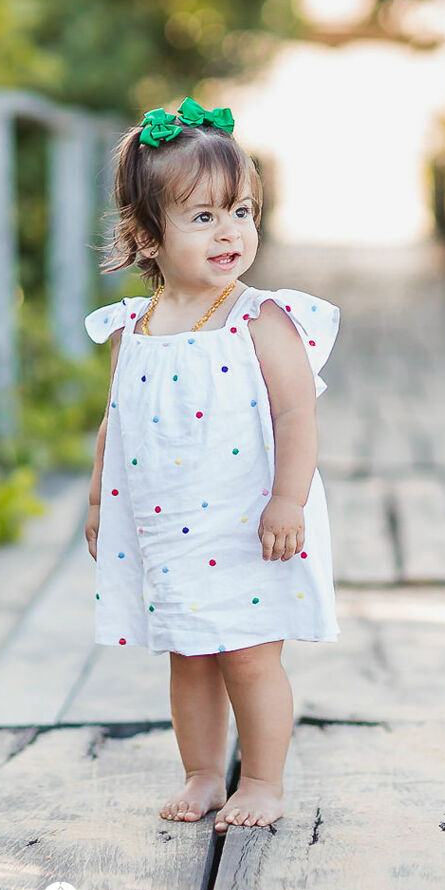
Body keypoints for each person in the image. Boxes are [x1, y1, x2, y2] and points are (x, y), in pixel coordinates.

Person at [82, 95, 341, 834]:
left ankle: (260, 779)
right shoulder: (136, 326)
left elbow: (297, 415)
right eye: (203, 217)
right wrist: (102, 501)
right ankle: (201, 772)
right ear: (148, 237)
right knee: (189, 657)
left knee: (250, 657)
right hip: (170, 522)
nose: (230, 231)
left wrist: (287, 501)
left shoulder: (260, 318)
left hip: (250, 520)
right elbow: (116, 420)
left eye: (243, 211)